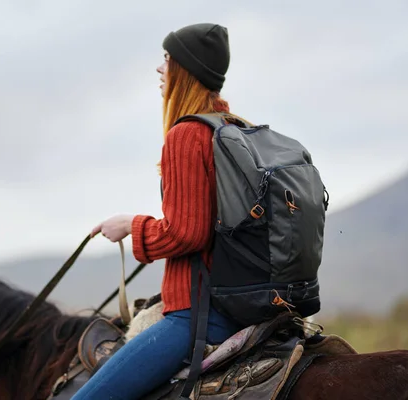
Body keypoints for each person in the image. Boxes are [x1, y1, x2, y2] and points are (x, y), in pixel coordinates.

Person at [71, 23, 243, 400]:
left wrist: (132, 226)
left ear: (186, 72)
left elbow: (187, 233)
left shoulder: (186, 135)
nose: (160, 69)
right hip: (240, 306)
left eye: (168, 59)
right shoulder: (234, 128)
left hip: (196, 316)